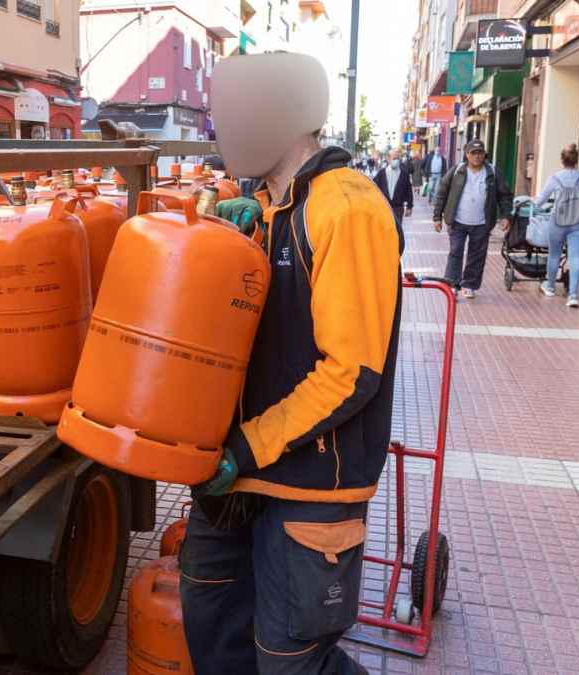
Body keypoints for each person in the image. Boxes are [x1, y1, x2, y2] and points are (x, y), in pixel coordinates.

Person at [183, 52, 402, 675]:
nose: (222, 131)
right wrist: (232, 241)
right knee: (214, 634)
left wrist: (246, 448)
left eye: (236, 114)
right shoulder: (266, 206)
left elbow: (352, 372)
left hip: (305, 484)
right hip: (234, 478)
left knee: (290, 662)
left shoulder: (348, 208)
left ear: (288, 115)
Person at [432, 139, 512, 299]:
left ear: (484, 155)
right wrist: (437, 216)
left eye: (480, 153)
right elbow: (442, 192)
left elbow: (505, 196)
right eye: (473, 153)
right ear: (467, 154)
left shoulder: (493, 172)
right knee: (455, 252)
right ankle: (452, 284)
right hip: (457, 220)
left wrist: (505, 216)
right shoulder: (457, 170)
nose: (476, 156)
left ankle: (469, 285)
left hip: (482, 223)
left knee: (477, 255)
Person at [536, 143, 579, 308]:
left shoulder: (555, 178)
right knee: (576, 257)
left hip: (558, 222)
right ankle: (573, 295)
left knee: (554, 255)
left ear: (562, 159)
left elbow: (541, 201)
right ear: (576, 159)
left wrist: (534, 206)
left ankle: (550, 286)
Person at [373, 148, 414, 227]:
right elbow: (374, 188)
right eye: (394, 158)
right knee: (385, 229)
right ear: (388, 159)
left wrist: (410, 206)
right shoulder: (381, 173)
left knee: (397, 230)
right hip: (384, 207)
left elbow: (409, 190)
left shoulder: (404, 174)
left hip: (398, 208)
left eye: (398, 158)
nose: (396, 161)